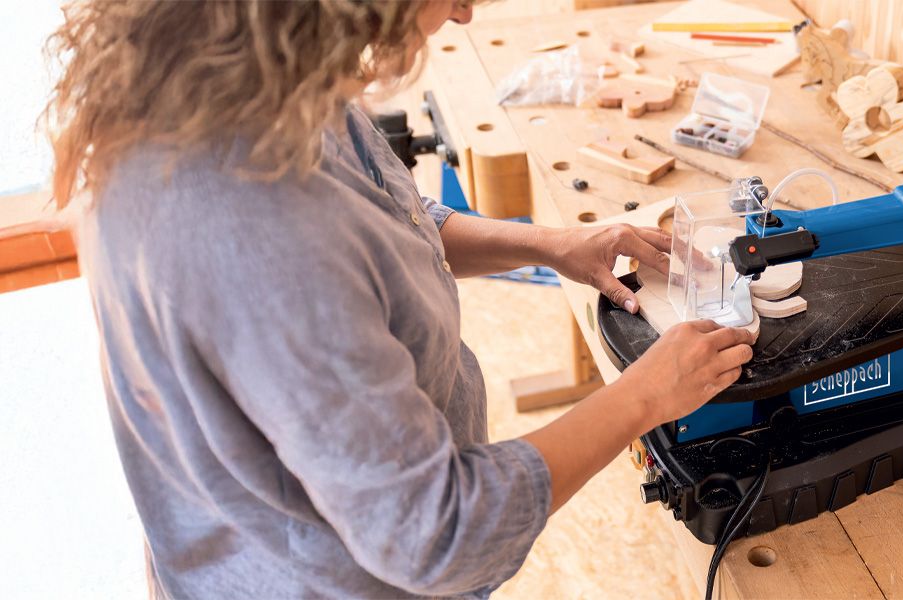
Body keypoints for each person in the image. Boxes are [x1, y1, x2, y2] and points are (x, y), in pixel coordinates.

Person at [41, 0, 754, 596]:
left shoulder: (248, 76)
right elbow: (438, 533)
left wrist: (548, 243)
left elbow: (383, 217)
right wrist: (646, 395)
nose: (466, 11)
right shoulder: (256, 226)